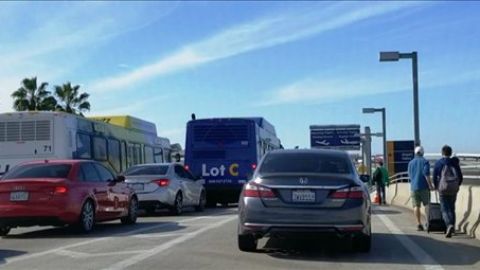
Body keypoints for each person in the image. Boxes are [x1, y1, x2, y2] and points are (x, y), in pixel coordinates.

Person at [433, 145, 463, 238]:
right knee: (452, 207)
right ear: (450, 152)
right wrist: (457, 185)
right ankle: (453, 227)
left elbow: (434, 177)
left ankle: (449, 225)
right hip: (453, 188)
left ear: (442, 153)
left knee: (444, 209)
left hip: (443, 189)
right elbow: (460, 176)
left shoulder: (439, 163)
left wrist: (436, 186)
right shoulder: (454, 162)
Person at [408, 146, 434, 231]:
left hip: (414, 187)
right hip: (424, 187)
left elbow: (410, 175)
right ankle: (428, 222)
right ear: (423, 153)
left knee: (416, 206)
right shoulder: (425, 162)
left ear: (415, 153)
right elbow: (426, 174)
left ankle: (419, 223)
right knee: (427, 205)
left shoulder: (411, 163)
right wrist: (430, 185)